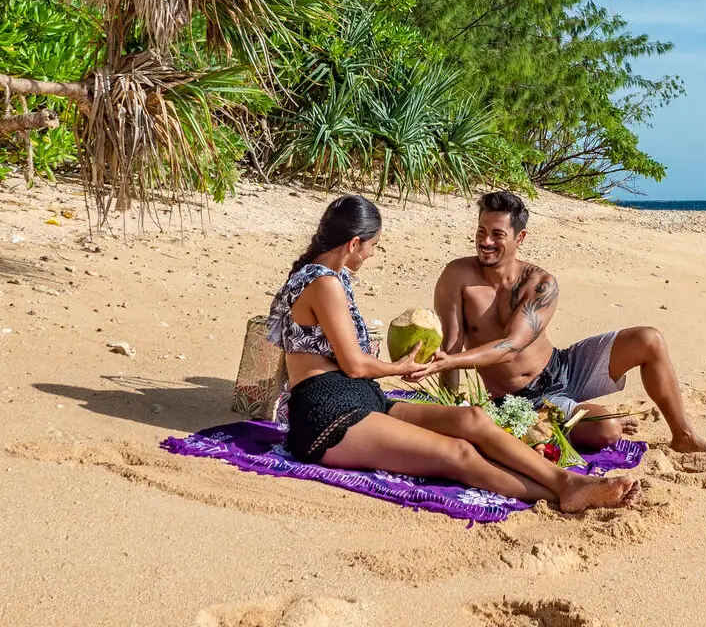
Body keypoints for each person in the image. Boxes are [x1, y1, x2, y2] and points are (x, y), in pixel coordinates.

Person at [267, 194, 638, 513]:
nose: (372, 254)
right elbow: (354, 364)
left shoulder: (328, 277)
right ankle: (561, 492)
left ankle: (565, 480)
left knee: (473, 420)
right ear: (353, 244)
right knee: (457, 453)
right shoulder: (324, 283)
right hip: (327, 415)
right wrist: (398, 366)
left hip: (362, 398)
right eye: (373, 246)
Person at [414, 191, 706, 454]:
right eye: (481, 231)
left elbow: (511, 345)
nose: (486, 241)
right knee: (608, 431)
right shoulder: (457, 276)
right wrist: (452, 412)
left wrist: (449, 361)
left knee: (649, 339)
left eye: (497, 234)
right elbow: (449, 347)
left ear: (520, 237)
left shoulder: (540, 283)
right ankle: (581, 418)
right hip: (525, 398)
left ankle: (684, 436)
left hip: (564, 366)